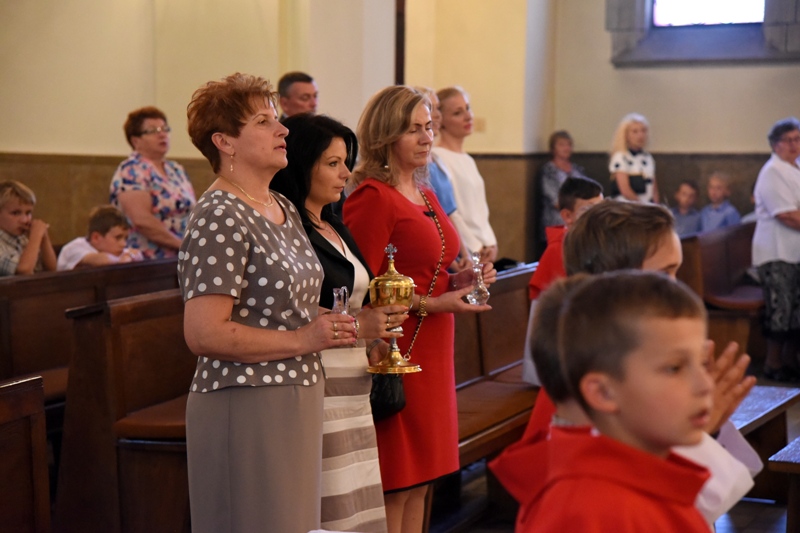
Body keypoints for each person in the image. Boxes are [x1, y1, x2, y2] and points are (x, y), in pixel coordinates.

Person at [180, 72, 356, 533]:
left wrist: (336, 322)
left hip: (297, 393)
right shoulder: (219, 214)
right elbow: (204, 333)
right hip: (245, 401)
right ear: (225, 142)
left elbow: (284, 306)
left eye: (277, 119)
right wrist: (305, 338)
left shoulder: (282, 205)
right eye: (263, 121)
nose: (282, 130)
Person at [342, 85, 496, 533]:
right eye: (413, 129)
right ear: (386, 135)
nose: (427, 137)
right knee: (398, 480)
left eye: (429, 127)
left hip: (433, 345)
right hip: (397, 348)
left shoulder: (424, 192)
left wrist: (462, 281)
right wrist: (434, 301)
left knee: (423, 479)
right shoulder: (373, 197)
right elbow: (363, 285)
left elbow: (429, 269)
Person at [498, 274, 755, 530]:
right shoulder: (591, 512)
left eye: (700, 363)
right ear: (603, 393)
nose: (706, 385)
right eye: (674, 368)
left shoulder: (634, 481)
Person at [271, 113, 412, 533]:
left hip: (354, 383)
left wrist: (376, 338)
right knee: (330, 503)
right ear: (301, 165)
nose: (345, 173)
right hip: (319, 379)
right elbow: (288, 307)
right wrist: (359, 325)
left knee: (356, 500)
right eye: (332, 164)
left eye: (345, 162)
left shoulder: (333, 223)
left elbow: (356, 297)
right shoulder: (287, 228)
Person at [110, 106, 196, 259]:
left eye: (165, 129)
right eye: (153, 130)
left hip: (185, 255)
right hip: (149, 260)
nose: (162, 134)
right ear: (136, 140)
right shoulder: (131, 170)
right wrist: (182, 245)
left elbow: (192, 211)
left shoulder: (176, 169)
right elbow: (141, 220)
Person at [752, 117, 800, 382]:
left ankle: (790, 360)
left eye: (797, 139)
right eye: (787, 140)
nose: (794, 145)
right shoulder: (772, 171)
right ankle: (772, 363)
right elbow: (786, 215)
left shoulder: (795, 168)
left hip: (795, 252)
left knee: (795, 310)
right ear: (774, 144)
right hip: (776, 252)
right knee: (780, 308)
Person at [432, 86, 498, 263]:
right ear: (442, 120)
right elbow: (452, 211)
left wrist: (491, 242)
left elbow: (480, 209)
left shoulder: (467, 159)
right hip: (466, 251)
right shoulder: (438, 157)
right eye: (457, 113)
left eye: (468, 108)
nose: (468, 116)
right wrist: (475, 248)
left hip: (483, 247)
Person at [414, 86, 470, 269]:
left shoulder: (437, 160)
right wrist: (452, 262)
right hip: (439, 255)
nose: (437, 115)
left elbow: (450, 213)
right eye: (432, 108)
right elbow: (429, 220)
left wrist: (466, 254)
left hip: (451, 248)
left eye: (438, 108)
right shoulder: (417, 163)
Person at [528, 176, 603, 300]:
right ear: (567, 216)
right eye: (589, 210)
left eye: (601, 208)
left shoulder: (602, 242)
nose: (599, 216)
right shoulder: (559, 250)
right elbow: (541, 304)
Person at [537, 131, 591, 252]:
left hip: (579, 223)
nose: (566, 148)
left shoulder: (577, 169)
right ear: (553, 148)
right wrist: (579, 207)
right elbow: (555, 200)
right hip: (556, 222)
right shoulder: (549, 170)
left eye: (568, 144)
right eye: (561, 144)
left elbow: (588, 192)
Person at [56, 205, 143, 270]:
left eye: (125, 238)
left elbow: (137, 254)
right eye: (118, 238)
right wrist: (126, 259)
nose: (124, 244)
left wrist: (129, 256)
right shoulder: (74, 247)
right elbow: (104, 260)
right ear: (96, 238)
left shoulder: (116, 251)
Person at [0, 180, 56, 276]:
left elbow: (52, 269)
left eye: (28, 213)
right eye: (15, 213)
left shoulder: (22, 240)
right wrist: (36, 236)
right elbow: (24, 271)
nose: (25, 220)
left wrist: (44, 237)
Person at [609, 113, 659, 203]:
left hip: (647, 205)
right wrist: (641, 206)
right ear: (626, 135)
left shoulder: (648, 157)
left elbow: (653, 188)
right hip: (627, 205)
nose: (640, 135)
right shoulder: (620, 157)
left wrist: (655, 206)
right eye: (635, 132)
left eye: (643, 131)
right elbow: (625, 190)